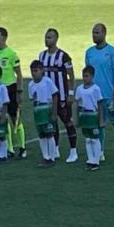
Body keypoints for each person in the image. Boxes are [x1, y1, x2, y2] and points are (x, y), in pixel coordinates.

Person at [85, 23, 114, 165]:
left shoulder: (113, 52)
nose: (94, 35)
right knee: (99, 125)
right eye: (93, 32)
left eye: (97, 32)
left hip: (109, 95)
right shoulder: (89, 52)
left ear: (104, 34)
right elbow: (87, 74)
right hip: (95, 97)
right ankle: (100, 152)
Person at [38, 28, 78, 163]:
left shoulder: (63, 56)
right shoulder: (42, 56)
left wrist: (70, 94)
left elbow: (71, 76)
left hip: (62, 97)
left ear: (56, 39)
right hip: (48, 98)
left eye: (49, 37)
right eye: (46, 37)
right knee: (52, 123)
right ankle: (55, 149)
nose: (47, 40)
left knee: (67, 122)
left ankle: (73, 151)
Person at [0, 27, 25, 159]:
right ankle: (10, 149)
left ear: (5, 38)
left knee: (15, 118)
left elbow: (19, 74)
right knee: (2, 119)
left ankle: (22, 147)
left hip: (10, 88)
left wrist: (19, 91)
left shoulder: (11, 54)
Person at [27, 61, 59, 168]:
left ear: (42, 71)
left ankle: (52, 157)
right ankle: (45, 157)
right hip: (38, 112)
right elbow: (33, 99)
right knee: (41, 135)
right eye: (32, 71)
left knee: (49, 134)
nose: (33, 73)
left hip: (47, 111)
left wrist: (54, 112)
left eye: (36, 71)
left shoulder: (47, 81)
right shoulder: (30, 85)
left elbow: (55, 95)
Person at [75, 66, 104, 171]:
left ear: (92, 76)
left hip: (93, 116)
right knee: (88, 139)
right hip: (84, 116)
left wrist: (101, 119)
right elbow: (77, 104)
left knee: (95, 138)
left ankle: (96, 161)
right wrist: (77, 118)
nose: (84, 78)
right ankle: (90, 160)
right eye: (83, 76)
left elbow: (100, 104)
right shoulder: (79, 89)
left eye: (87, 76)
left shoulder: (96, 89)